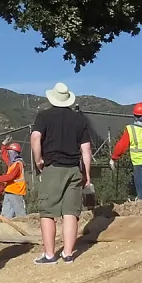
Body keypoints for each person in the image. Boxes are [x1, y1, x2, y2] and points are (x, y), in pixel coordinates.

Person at [29, 82, 93, 264]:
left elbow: (35, 137)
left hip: (53, 167)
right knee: (70, 212)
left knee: (48, 212)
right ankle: (68, 253)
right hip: (73, 169)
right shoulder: (80, 120)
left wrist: (38, 159)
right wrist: (86, 173)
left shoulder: (44, 116)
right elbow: (86, 149)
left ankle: (50, 255)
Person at [0, 142, 28, 219]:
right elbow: (4, 155)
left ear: (14, 153)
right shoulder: (12, 163)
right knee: (5, 215)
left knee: (20, 215)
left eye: (10, 152)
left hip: (16, 192)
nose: (8, 154)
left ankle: (23, 228)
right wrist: (3, 145)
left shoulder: (18, 164)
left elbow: (10, 177)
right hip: (9, 191)